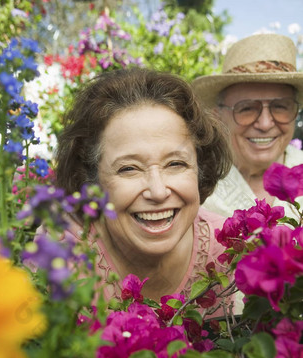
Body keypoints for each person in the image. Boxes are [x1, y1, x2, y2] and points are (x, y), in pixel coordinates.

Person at [54, 66, 233, 307]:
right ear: (90, 180)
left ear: (200, 170)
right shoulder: (63, 253)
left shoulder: (225, 247)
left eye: (176, 163)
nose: (158, 192)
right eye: (129, 168)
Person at [192, 33, 303, 218]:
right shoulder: (194, 184)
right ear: (217, 117)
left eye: (280, 107)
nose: (265, 124)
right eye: (247, 109)